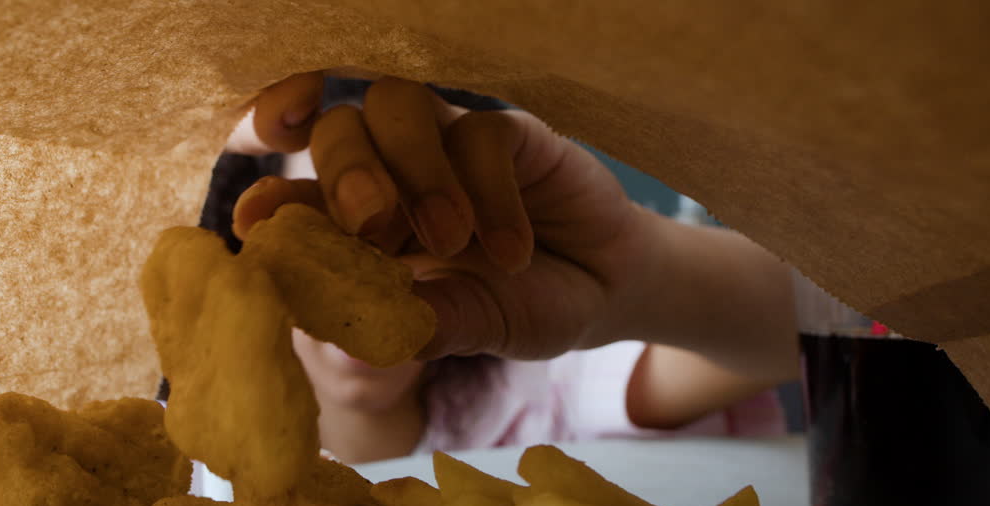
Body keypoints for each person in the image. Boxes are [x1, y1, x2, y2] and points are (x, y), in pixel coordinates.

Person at [169, 74, 797, 467]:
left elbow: (852, 322)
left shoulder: (544, 401)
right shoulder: (181, 466)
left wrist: (635, 271)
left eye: (407, 237)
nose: (361, 286)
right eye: (322, 243)